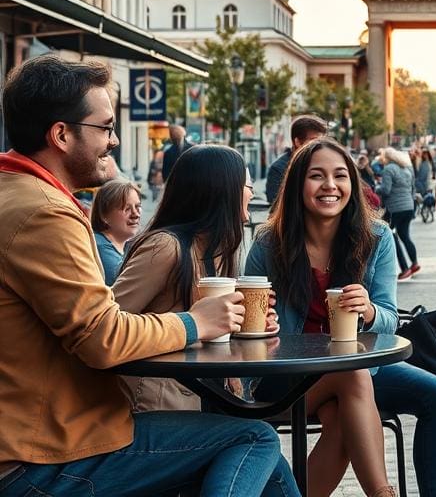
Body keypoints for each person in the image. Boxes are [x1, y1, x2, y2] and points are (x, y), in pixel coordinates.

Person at [0, 54, 296, 496]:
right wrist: (198, 322)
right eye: (104, 127)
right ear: (61, 134)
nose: (115, 140)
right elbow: (103, 337)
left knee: (264, 462)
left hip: (43, 439)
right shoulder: (46, 212)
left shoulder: (16, 193)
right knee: (253, 437)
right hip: (45, 457)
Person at [246, 138, 436, 497]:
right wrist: (259, 324)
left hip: (354, 369)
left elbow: (389, 318)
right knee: (351, 373)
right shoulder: (269, 242)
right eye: (317, 176)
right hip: (285, 373)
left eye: (340, 176)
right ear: (298, 185)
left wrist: (369, 310)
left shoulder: (377, 237)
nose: (330, 185)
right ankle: (382, 493)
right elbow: (245, 317)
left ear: (352, 185)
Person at [112, 145, 265, 412]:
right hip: (156, 406)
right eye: (247, 184)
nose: (252, 192)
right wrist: (191, 324)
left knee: (260, 435)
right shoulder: (165, 247)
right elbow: (108, 326)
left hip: (207, 394)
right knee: (259, 438)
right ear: (222, 189)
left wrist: (244, 322)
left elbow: (212, 328)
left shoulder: (217, 249)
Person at [266, 114, 328, 205]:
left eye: (322, 141)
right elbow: (276, 203)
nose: (319, 145)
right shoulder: (279, 168)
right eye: (314, 140)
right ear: (297, 142)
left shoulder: (326, 164)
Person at [91, 178, 142, 285]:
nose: (135, 214)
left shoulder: (127, 245)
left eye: (138, 207)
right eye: (127, 209)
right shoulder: (101, 247)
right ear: (104, 216)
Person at [378, 147, 419, 280]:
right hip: (408, 206)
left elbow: (386, 190)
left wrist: (376, 188)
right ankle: (414, 263)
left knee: (392, 236)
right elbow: (413, 188)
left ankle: (404, 268)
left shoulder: (389, 169)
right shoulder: (406, 169)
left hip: (395, 208)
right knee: (404, 235)